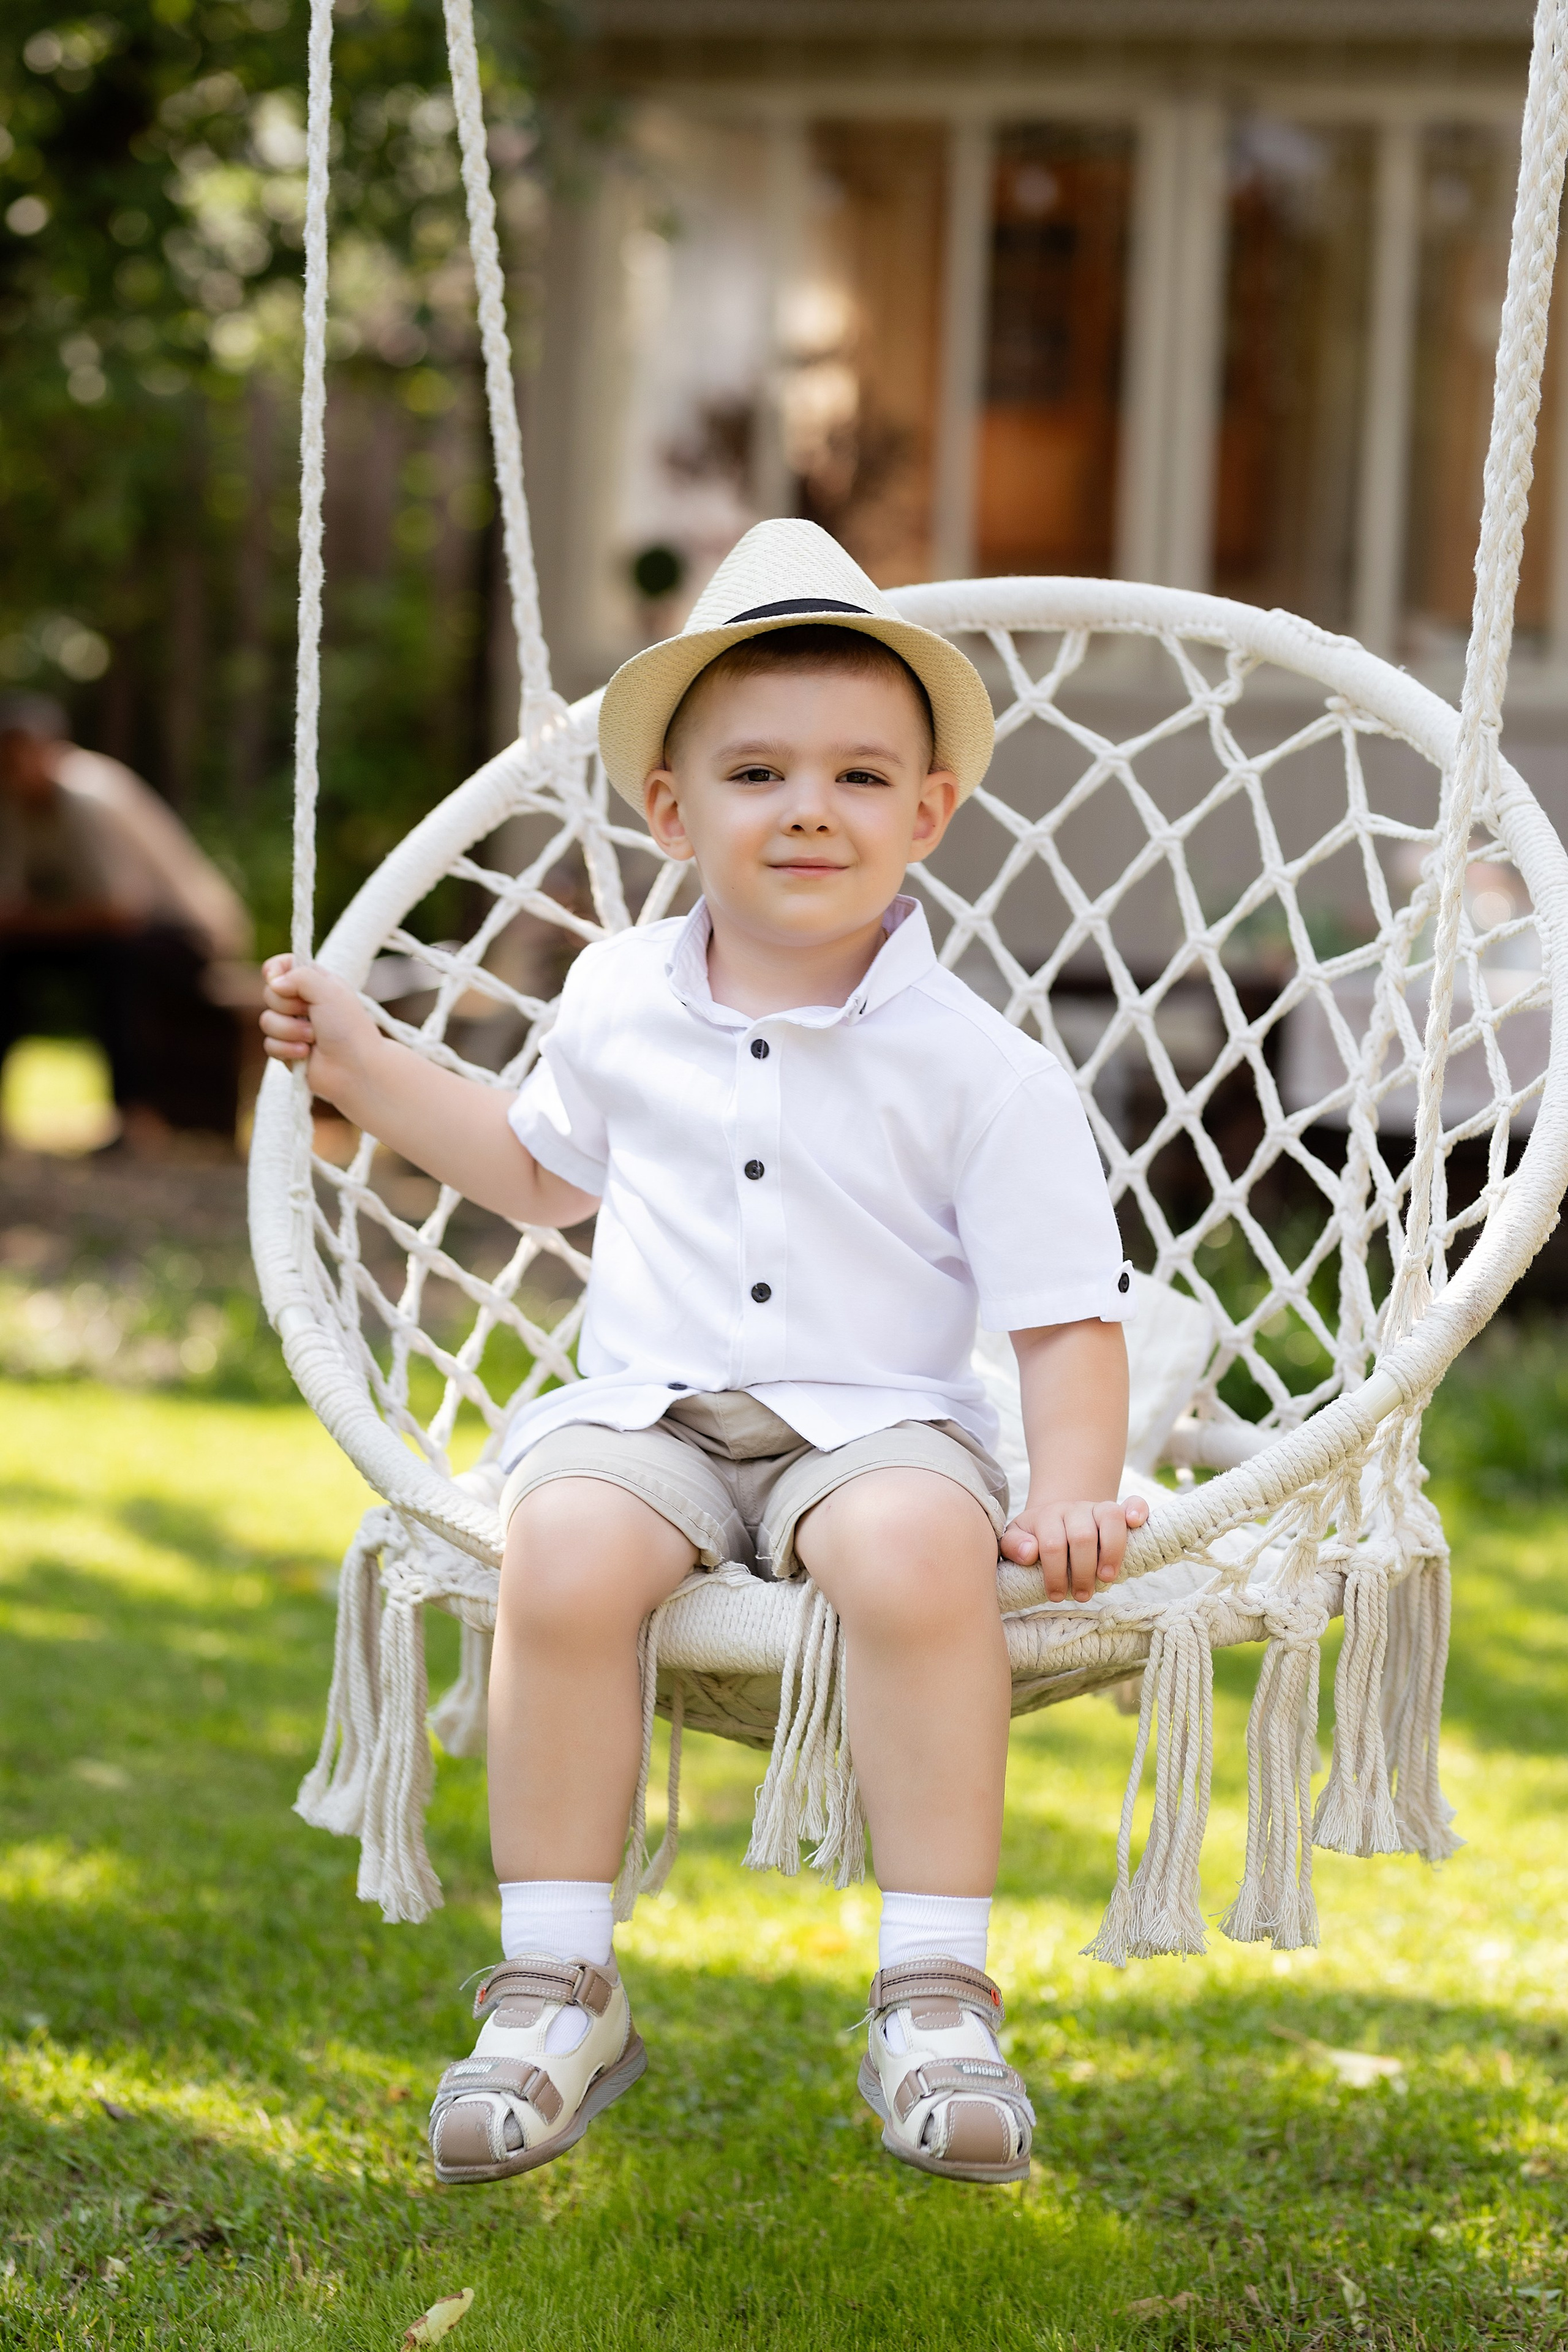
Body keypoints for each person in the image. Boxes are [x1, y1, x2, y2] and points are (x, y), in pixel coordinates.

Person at [261, 519, 1147, 2188]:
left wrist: (1081, 1492)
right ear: (673, 812)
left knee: (914, 1547)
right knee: (568, 1543)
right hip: (650, 1409)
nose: (810, 807)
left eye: (861, 778)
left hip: (874, 1421)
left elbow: (1060, 1310)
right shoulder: (613, 996)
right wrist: (369, 1066)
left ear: (928, 817)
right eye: (757, 770)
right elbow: (536, 1172)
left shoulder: (983, 1069)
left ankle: (935, 1987)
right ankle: (556, 1978)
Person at [0, 694, 252, 1145]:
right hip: (110, 933)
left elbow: (122, 911)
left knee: (115, 962)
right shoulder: (18, 805)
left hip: (187, 932)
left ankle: (134, 1115)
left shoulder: (88, 795)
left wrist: (32, 922)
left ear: (47, 750)